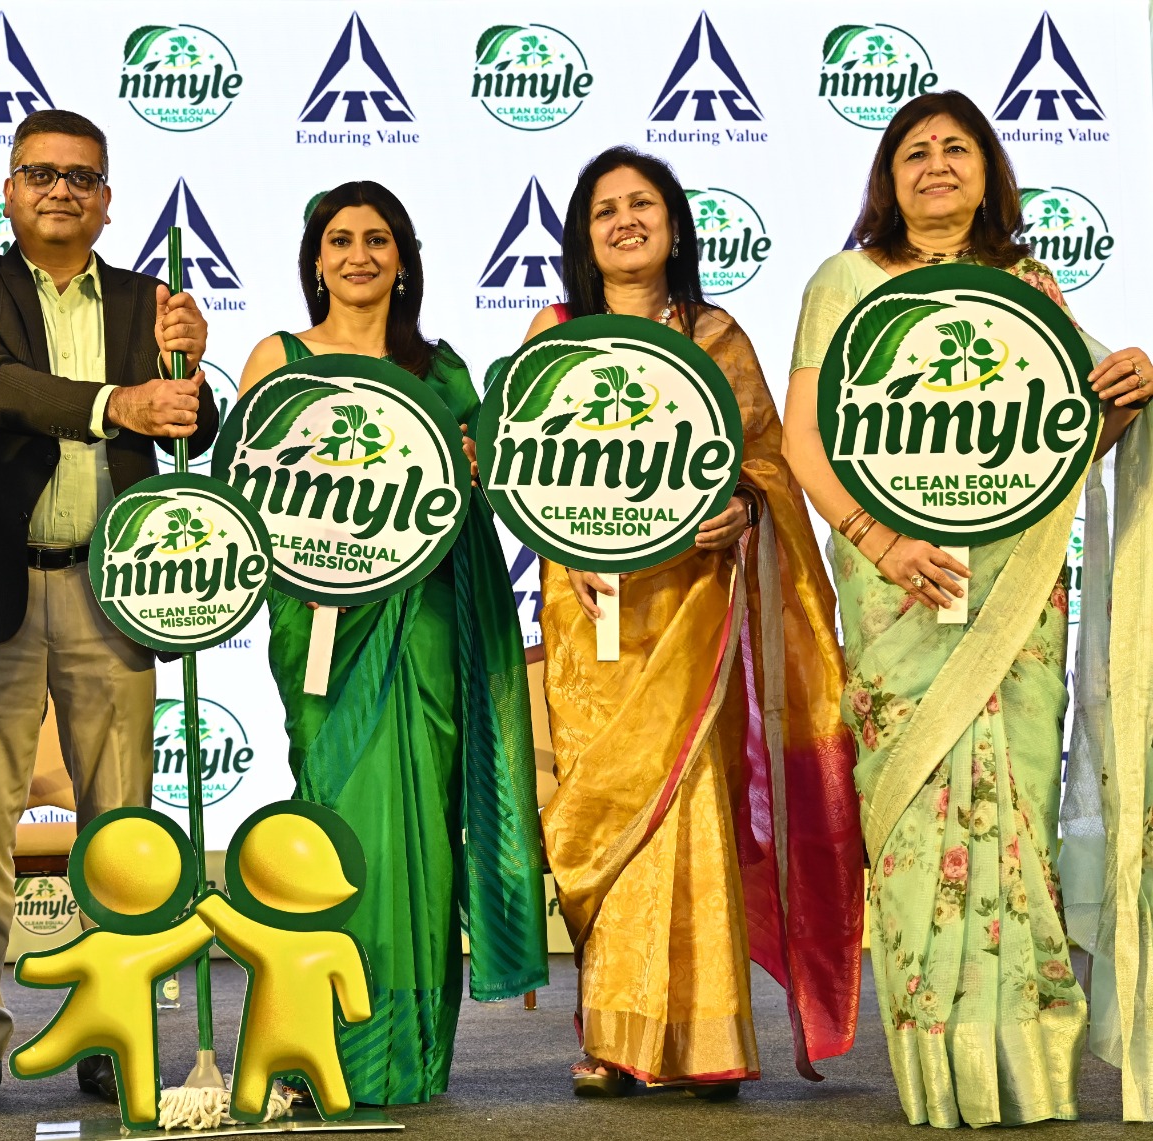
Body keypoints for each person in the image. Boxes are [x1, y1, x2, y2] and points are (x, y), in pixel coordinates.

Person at [781, 91, 1148, 1127]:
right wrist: (880, 542)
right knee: (912, 822)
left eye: (956, 148)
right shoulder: (844, 282)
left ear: (988, 173)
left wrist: (1128, 391)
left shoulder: (1027, 288)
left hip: (1012, 590)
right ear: (887, 179)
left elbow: (1069, 439)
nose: (936, 163)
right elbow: (805, 438)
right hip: (897, 585)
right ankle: (941, 1074)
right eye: (914, 151)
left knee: (1016, 807)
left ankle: (1028, 1071)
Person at [520, 146, 864, 1099]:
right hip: (593, 605)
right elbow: (523, 461)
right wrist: (566, 537)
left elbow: (767, 460)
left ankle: (709, 1038)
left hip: (693, 604)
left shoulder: (714, 335)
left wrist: (745, 508)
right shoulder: (555, 333)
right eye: (605, 210)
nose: (625, 221)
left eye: (643, 204)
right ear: (584, 237)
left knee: (688, 807)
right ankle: (612, 1039)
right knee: (607, 811)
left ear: (674, 226)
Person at [0, 108, 218, 1115]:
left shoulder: (148, 299)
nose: (61, 190)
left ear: (106, 199)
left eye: (81, 177)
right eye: (41, 173)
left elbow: (187, 428)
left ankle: (113, 1026)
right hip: (1, 587)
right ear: (9, 192)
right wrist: (114, 403)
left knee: (122, 830)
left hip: (117, 590)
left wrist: (191, 369)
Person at [237, 182, 547, 1105]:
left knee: (426, 831)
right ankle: (322, 1039)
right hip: (320, 621)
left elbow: (486, 490)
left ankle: (407, 1052)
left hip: (427, 618)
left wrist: (481, 468)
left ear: (404, 260)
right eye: (340, 240)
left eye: (378, 240)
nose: (359, 256)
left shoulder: (442, 371)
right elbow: (248, 489)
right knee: (334, 815)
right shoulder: (279, 357)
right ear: (316, 260)